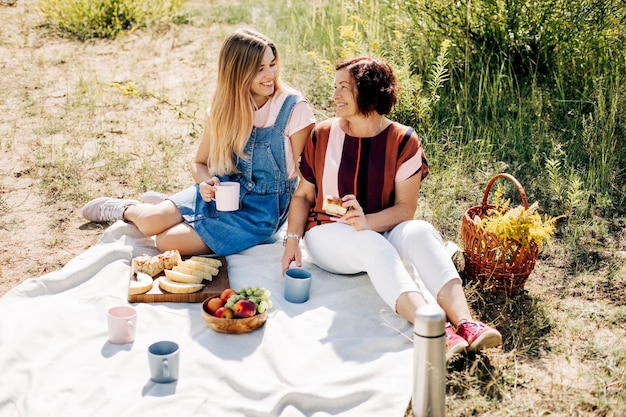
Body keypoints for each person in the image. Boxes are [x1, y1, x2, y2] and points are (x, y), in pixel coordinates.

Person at [280, 56, 502, 357]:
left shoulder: (403, 140)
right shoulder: (323, 134)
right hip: (327, 232)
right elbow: (304, 196)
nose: (335, 96)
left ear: (368, 91)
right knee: (372, 244)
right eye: (335, 88)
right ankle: (434, 328)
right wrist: (292, 240)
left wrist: (367, 221)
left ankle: (466, 323)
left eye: (344, 88)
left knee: (421, 231)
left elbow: (405, 209)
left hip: (383, 227)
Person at [81, 28, 316, 256]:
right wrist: (206, 184)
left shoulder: (294, 108)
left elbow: (307, 183)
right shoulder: (225, 109)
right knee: (151, 222)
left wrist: (296, 234)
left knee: (166, 241)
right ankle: (126, 209)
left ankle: (170, 207)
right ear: (237, 72)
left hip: (262, 213)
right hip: (225, 191)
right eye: (260, 68)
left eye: (272, 64)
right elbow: (199, 163)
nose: (270, 75)